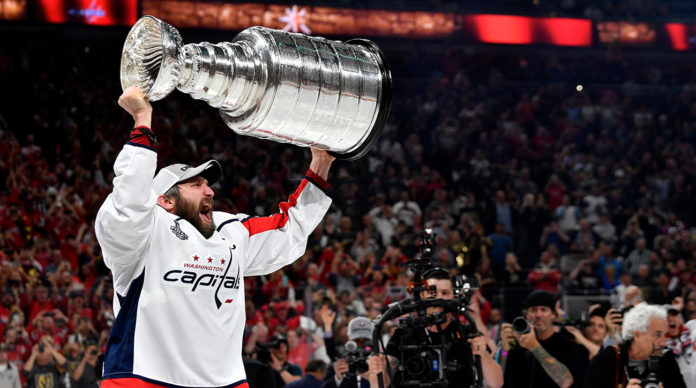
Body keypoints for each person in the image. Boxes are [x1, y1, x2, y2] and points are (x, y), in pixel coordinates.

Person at [95, 86, 334, 387]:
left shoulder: (230, 230)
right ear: (165, 200)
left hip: (225, 383)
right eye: (195, 185)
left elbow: (289, 229)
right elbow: (128, 204)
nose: (210, 191)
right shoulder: (144, 233)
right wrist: (143, 122)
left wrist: (321, 162)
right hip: (145, 377)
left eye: (207, 184)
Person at [378, 268, 503, 388]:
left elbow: (496, 383)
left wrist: (483, 355)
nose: (438, 298)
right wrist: (378, 369)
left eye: (445, 293)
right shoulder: (404, 334)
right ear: (421, 295)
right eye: (432, 293)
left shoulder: (466, 333)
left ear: (453, 296)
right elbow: (382, 382)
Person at [583, 303, 686, 388]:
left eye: (665, 335)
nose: (664, 343)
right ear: (637, 335)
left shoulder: (667, 359)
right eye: (657, 335)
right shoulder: (607, 359)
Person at [501, 290, 583, 388]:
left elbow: (566, 382)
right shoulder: (518, 344)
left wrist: (534, 346)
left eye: (543, 310)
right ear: (527, 315)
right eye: (534, 310)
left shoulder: (566, 345)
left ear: (553, 314)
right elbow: (498, 381)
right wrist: (504, 350)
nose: (538, 315)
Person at [664, 300, 695, 387]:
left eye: (674, 315)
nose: (671, 319)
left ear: (680, 318)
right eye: (666, 316)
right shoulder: (660, 346)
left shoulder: (692, 331)